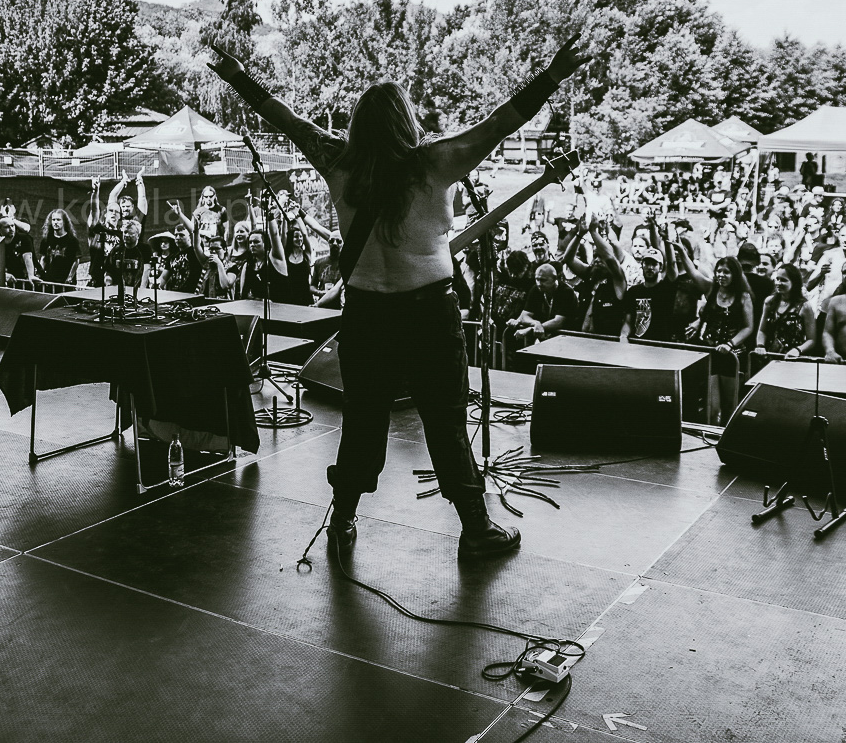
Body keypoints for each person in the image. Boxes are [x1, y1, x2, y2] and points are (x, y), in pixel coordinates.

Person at [208, 32, 588, 562]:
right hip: (428, 313)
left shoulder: (338, 162)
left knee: (362, 421)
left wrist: (236, 77)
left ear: (358, 125)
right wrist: (552, 75)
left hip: (367, 315)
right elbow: (501, 122)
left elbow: (283, 116)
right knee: (446, 421)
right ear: (406, 120)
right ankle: (475, 528)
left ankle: (342, 520)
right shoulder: (435, 162)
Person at [693, 255, 755, 422]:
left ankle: (726, 435)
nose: (721, 275)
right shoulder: (712, 290)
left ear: (735, 274)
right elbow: (693, 273)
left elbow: (748, 327)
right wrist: (678, 248)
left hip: (732, 356)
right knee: (712, 409)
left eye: (726, 272)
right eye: (719, 271)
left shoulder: (743, 296)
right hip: (712, 354)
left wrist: (730, 344)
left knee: (729, 406)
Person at [506, 262, 579, 358]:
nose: (539, 283)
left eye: (543, 280)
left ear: (555, 278)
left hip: (565, 341)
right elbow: (525, 315)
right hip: (545, 337)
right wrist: (535, 323)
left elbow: (558, 322)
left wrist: (531, 329)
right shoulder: (536, 289)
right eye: (537, 279)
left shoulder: (566, 292)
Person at [755, 263, 816, 358]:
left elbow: (811, 340)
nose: (778, 283)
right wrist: (760, 345)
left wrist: (798, 350)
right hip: (770, 356)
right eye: (777, 279)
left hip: (793, 358)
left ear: (794, 283)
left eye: (783, 280)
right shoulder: (770, 302)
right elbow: (762, 330)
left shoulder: (804, 306)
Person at [35, 209, 82, 285]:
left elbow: (76, 261)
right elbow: (43, 258)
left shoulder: (72, 240)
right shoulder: (46, 239)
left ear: (64, 222)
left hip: (65, 282)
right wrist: (40, 274)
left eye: (58, 220)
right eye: (53, 220)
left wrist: (69, 278)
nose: (55, 222)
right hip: (49, 281)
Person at [0, 200, 36, 280]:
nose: (11, 229)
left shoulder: (22, 227)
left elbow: (27, 257)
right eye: (7, 227)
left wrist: (11, 219)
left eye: (12, 226)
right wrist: (3, 217)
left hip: (27, 276)